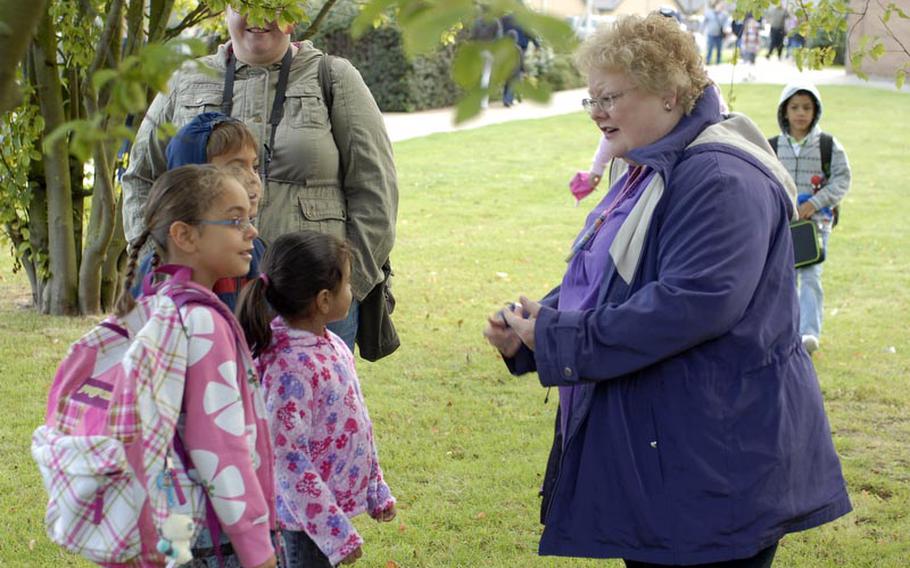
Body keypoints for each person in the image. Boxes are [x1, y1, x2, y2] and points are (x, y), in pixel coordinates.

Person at [483, 14, 851, 566]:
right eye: (590, 100)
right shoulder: (655, 164)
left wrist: (558, 336)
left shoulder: (721, 177)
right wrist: (538, 327)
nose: (597, 113)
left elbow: (689, 305)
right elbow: (620, 276)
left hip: (715, 467)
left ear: (670, 95)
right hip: (674, 457)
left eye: (609, 96)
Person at [122, 4, 398, 350]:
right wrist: (164, 268)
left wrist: (342, 288)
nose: (258, 17)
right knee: (211, 400)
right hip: (207, 302)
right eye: (245, 3)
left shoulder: (333, 77)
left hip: (312, 306)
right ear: (225, 10)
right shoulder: (187, 79)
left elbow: (376, 193)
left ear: (294, 13)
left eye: (274, 5)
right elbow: (140, 178)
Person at [117, 164, 277, 568]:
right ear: (185, 235)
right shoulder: (204, 322)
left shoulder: (160, 304)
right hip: (215, 533)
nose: (251, 232)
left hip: (175, 520)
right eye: (235, 220)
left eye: (250, 219)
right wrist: (257, 547)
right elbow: (219, 446)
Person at [236, 231, 396, 567]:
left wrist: (375, 487)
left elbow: (356, 423)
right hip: (302, 524)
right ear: (323, 300)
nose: (351, 292)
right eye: (348, 284)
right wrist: (334, 532)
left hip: (322, 514)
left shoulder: (330, 344)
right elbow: (286, 458)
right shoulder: (288, 367)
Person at [132, 112, 266, 311]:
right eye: (237, 167)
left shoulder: (256, 253)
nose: (254, 178)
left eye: (254, 166)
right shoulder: (158, 274)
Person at [770, 81, 851, 354]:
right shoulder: (771, 146)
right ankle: (785, 331)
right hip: (782, 225)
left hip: (816, 225)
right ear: (784, 111)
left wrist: (815, 203)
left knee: (811, 275)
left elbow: (842, 180)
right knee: (782, 277)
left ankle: (808, 333)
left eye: (807, 107)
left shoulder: (827, 145)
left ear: (816, 111)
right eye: (794, 107)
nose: (800, 113)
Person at [703, 1, 728, 65]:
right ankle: (708, 61)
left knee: (719, 49)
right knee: (710, 48)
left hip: (719, 35)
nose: (721, 7)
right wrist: (702, 30)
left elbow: (726, 24)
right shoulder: (709, 13)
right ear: (716, 5)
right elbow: (704, 22)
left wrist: (726, 29)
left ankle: (718, 61)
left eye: (722, 6)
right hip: (710, 34)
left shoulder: (724, 15)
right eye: (719, 5)